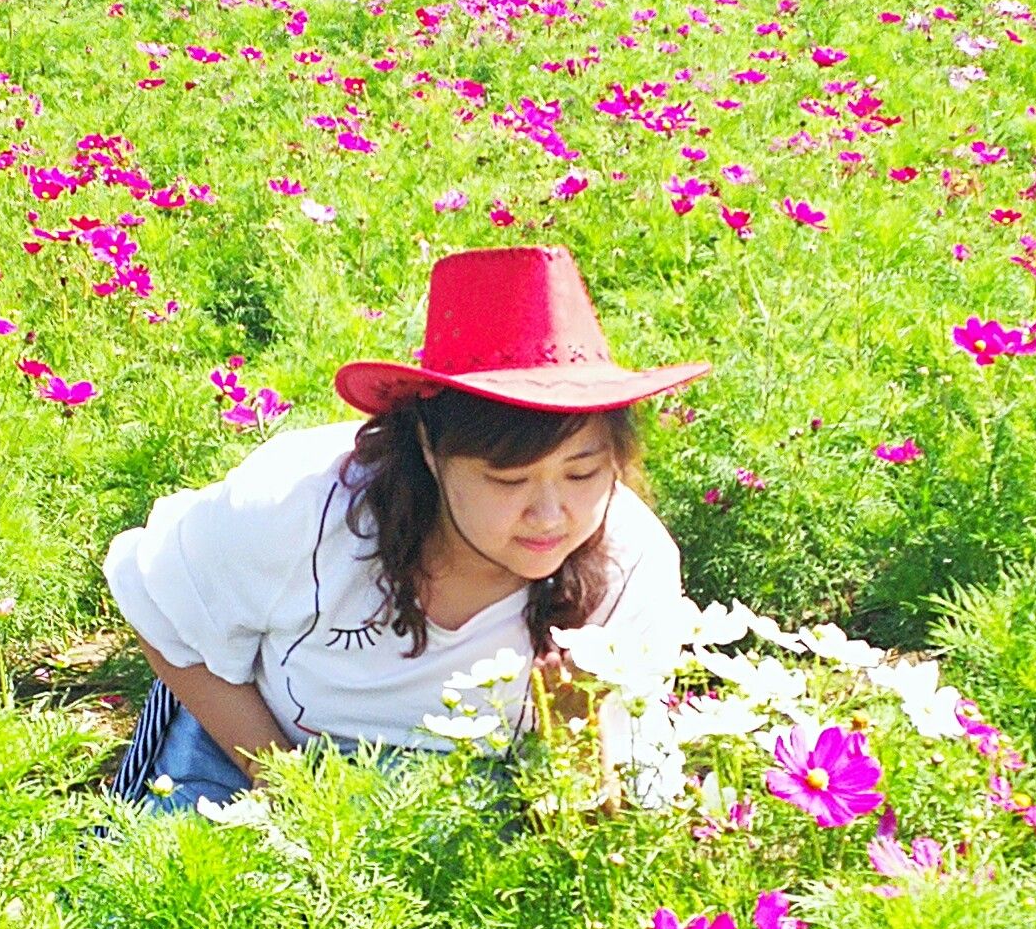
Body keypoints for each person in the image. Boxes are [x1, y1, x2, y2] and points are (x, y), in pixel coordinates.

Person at [98, 244, 713, 814]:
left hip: (482, 788)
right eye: (508, 480)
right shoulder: (302, 504)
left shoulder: (629, 563)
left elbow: (589, 822)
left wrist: (574, 736)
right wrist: (288, 789)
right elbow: (161, 616)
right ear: (427, 447)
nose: (551, 516)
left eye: (583, 475)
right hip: (257, 747)